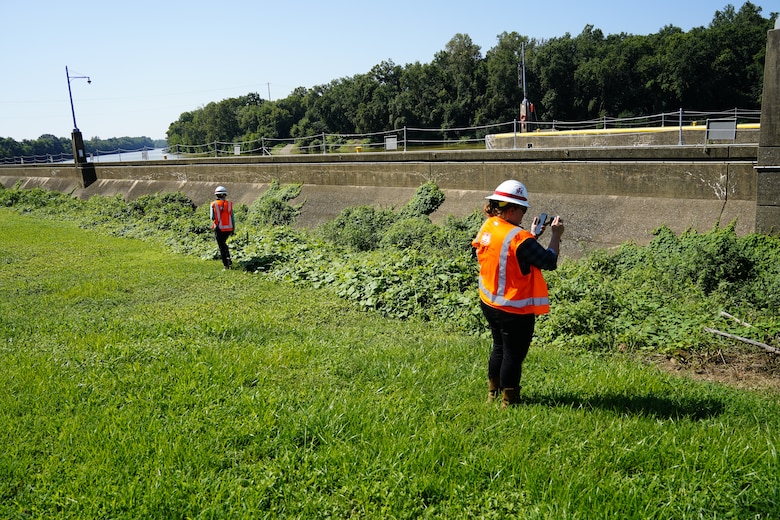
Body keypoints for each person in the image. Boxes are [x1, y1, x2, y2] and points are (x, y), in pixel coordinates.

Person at [472, 180, 564, 408]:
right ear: (512, 209)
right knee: (513, 356)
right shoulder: (519, 238)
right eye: (523, 210)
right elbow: (548, 261)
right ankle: (509, 402)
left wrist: (532, 235)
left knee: (499, 348)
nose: (524, 215)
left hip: (490, 303)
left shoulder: (489, 226)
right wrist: (556, 235)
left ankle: (493, 392)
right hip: (514, 309)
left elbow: (511, 254)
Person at [210, 185, 234, 269]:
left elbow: (212, 217)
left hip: (219, 228)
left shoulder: (213, 204)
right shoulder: (229, 204)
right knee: (224, 243)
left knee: (221, 246)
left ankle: (226, 265)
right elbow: (232, 218)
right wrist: (233, 229)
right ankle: (228, 257)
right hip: (228, 229)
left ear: (216, 195)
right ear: (225, 195)